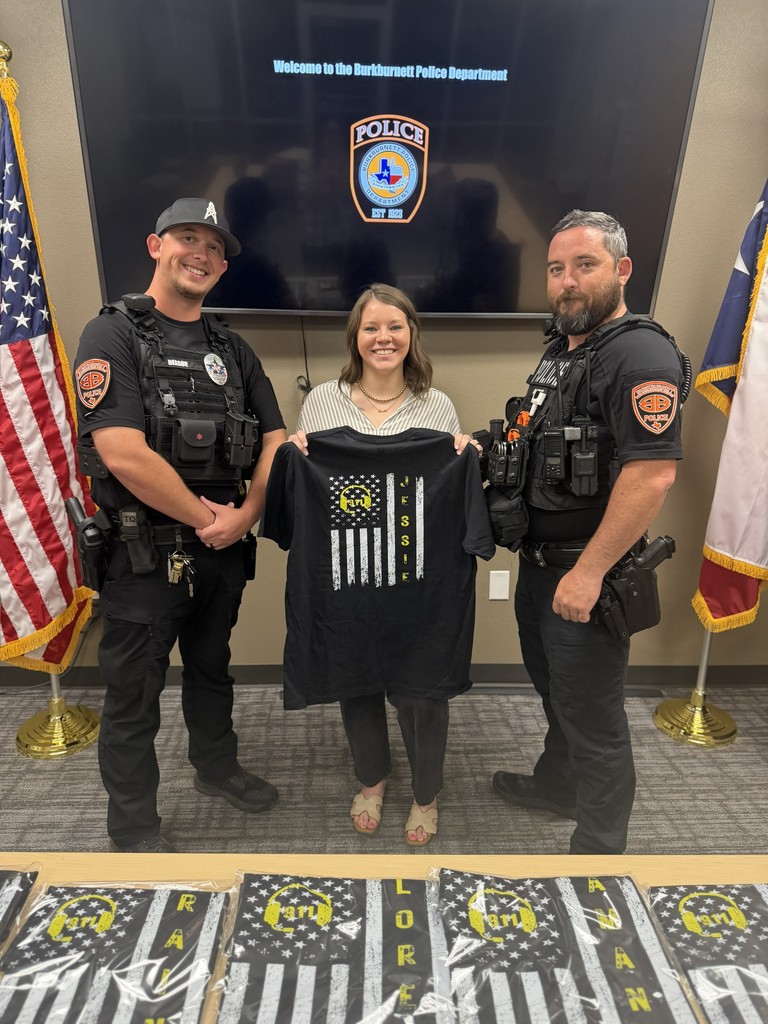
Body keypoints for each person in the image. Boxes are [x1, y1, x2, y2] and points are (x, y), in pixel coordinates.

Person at [73, 197, 287, 853]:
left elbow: (275, 439)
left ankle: (216, 769)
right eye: (188, 238)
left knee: (212, 669)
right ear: (156, 246)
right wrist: (207, 519)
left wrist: (247, 514)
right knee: (134, 695)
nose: (201, 254)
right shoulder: (112, 334)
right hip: (143, 552)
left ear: (222, 267)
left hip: (221, 549)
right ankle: (134, 826)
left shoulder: (231, 347)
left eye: (214, 247)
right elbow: (121, 451)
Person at [262, 283, 494, 846]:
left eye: (394, 326)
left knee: (422, 692)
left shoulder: (436, 405)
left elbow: (445, 493)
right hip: (348, 579)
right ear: (355, 337)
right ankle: (372, 779)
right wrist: (296, 455)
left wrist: (465, 457)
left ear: (411, 333)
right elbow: (299, 493)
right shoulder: (322, 400)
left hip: (419, 583)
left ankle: (426, 792)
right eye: (371, 327)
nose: (383, 338)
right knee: (355, 680)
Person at [490, 210, 686, 854]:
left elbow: (652, 476)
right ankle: (558, 787)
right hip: (543, 566)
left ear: (622, 270)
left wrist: (590, 572)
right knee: (558, 695)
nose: (567, 281)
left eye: (584, 265)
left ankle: (599, 849)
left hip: (585, 575)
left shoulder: (639, 353)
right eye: (556, 269)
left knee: (593, 716)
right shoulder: (564, 350)